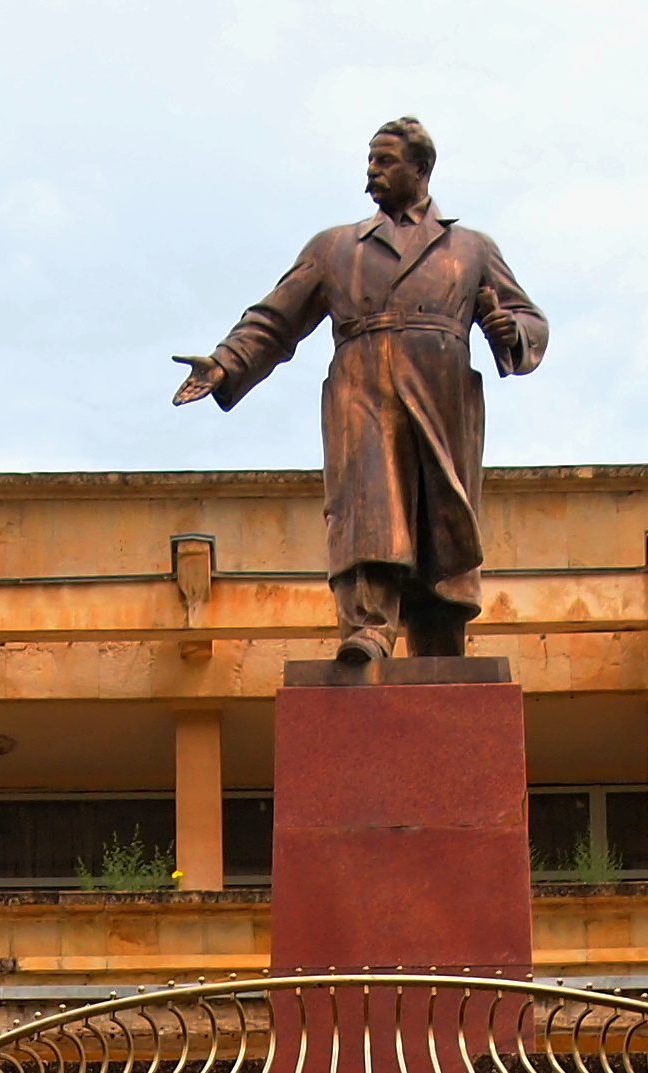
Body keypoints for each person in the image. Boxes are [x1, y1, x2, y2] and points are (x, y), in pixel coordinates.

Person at [172, 118, 549, 669]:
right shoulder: (336, 247)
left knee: (439, 519)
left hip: (441, 400)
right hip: (363, 392)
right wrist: (227, 364)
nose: (371, 170)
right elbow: (276, 318)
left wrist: (508, 332)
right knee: (366, 507)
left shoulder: (470, 249)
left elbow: (527, 319)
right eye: (370, 160)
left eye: (385, 160)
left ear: (421, 169)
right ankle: (368, 627)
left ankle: (438, 637)